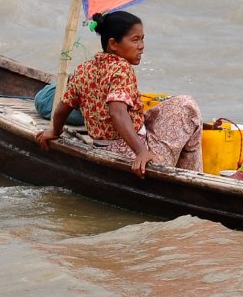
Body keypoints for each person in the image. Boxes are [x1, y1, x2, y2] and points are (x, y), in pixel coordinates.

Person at [36, 10, 203, 178]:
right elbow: (117, 113)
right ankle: (192, 176)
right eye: (135, 40)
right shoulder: (122, 69)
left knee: (164, 108)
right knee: (188, 106)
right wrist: (141, 152)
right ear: (113, 44)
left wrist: (55, 131)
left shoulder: (83, 69)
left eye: (142, 39)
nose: (141, 46)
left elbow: (62, 108)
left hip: (102, 148)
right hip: (131, 154)